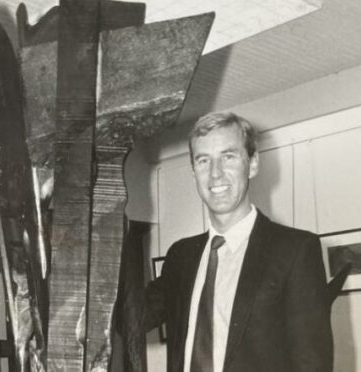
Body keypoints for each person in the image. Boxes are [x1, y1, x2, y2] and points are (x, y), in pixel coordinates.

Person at [143, 112, 333, 372]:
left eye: (228, 157)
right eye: (203, 161)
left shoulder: (295, 250)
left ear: (252, 164)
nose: (215, 174)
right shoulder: (181, 256)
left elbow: (312, 364)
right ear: (194, 172)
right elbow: (132, 317)